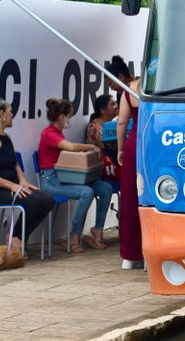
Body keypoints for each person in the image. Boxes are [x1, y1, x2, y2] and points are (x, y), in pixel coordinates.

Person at [37, 98, 113, 254]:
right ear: (61, 117)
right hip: (50, 180)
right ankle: (74, 235)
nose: (70, 120)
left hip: (63, 176)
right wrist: (92, 146)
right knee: (87, 192)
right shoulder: (49, 134)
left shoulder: (57, 133)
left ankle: (97, 230)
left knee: (105, 188)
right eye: (69, 116)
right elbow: (71, 147)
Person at [0, 99, 54, 255]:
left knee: (47, 200)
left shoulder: (6, 137)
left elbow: (15, 164)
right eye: (10, 111)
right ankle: (16, 239)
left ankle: (17, 238)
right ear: (2, 115)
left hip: (13, 187)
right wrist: (11, 186)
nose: (12, 114)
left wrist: (23, 181)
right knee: (34, 202)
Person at [106, 56, 144, 270]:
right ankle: (150, 252)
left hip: (133, 143)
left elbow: (122, 122)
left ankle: (129, 256)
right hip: (153, 140)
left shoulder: (129, 89)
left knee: (129, 198)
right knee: (150, 200)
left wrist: (120, 149)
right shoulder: (156, 86)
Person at [86, 94, 121, 193]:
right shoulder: (95, 126)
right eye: (113, 104)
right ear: (103, 110)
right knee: (131, 184)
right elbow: (108, 148)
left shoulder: (112, 124)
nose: (116, 106)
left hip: (112, 172)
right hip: (102, 174)